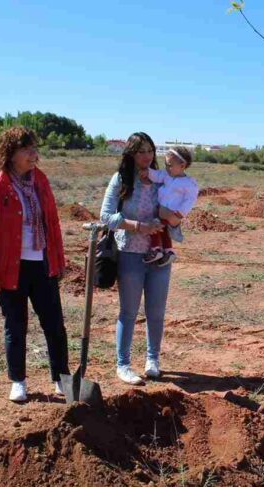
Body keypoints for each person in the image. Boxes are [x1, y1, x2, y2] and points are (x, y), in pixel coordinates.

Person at [0, 127, 70, 402]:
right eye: (26, 149)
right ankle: (18, 381)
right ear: (10, 153)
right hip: (10, 269)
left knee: (54, 325)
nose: (33, 154)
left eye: (34, 148)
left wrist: (59, 259)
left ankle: (61, 379)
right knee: (16, 326)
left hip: (42, 264)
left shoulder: (41, 181)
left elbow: (52, 222)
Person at [100, 132, 172, 383]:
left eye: (150, 151)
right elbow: (106, 217)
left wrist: (170, 218)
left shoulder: (162, 181)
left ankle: (153, 359)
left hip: (159, 255)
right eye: (141, 151)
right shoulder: (120, 180)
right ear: (130, 154)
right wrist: (139, 226)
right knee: (129, 312)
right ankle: (123, 364)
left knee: (156, 311)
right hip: (130, 253)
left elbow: (176, 208)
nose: (147, 156)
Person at [143, 146, 199, 266]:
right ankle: (168, 251)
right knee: (162, 230)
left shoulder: (189, 183)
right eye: (166, 164)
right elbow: (156, 176)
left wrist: (178, 215)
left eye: (170, 165)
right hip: (162, 209)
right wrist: (147, 171)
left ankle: (156, 249)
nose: (167, 168)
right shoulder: (166, 175)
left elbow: (189, 201)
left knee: (155, 225)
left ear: (182, 166)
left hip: (172, 213)